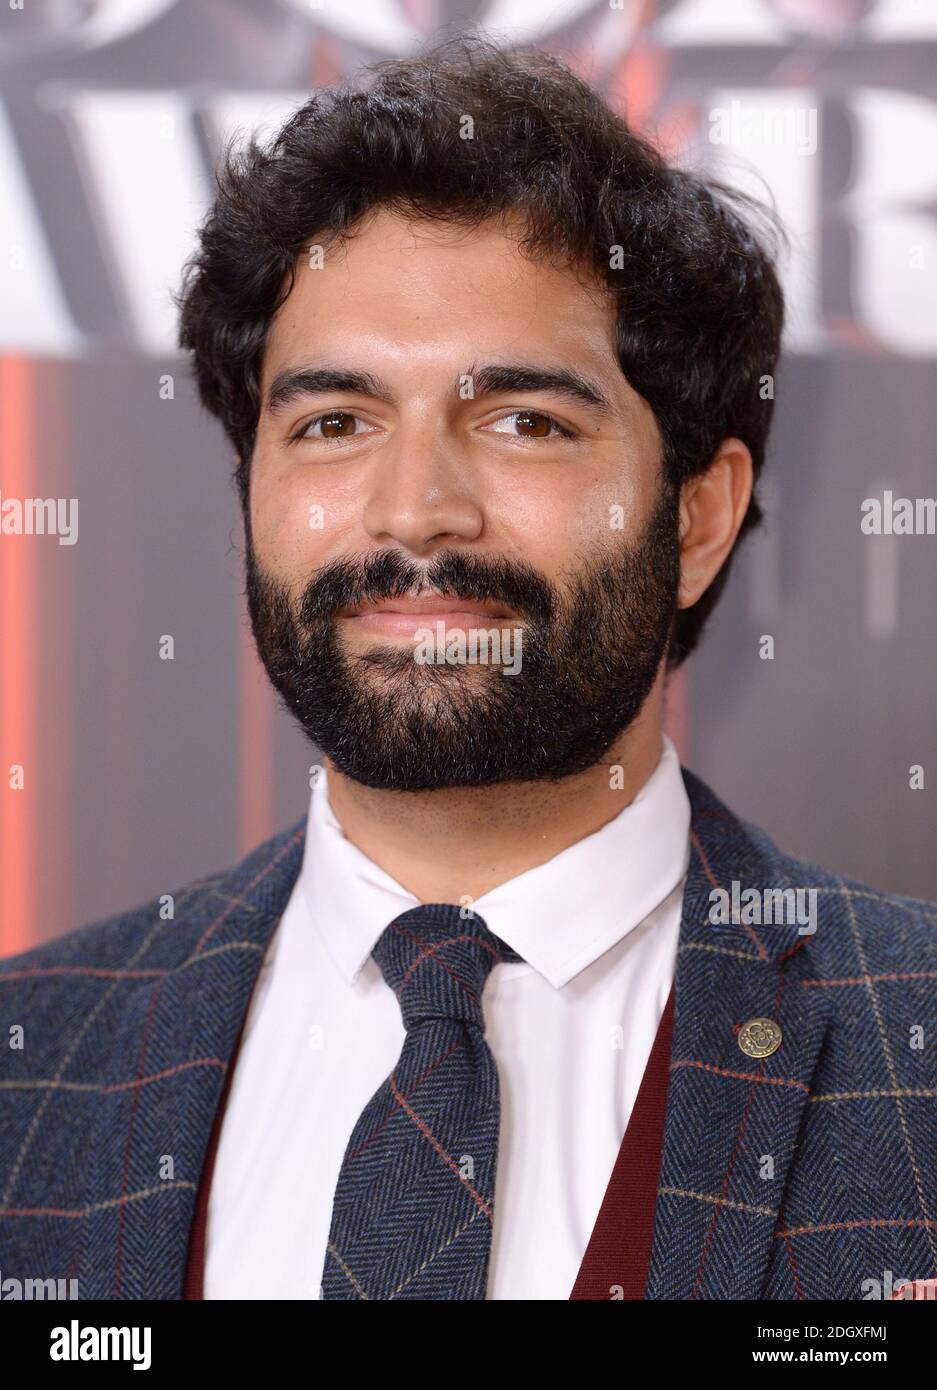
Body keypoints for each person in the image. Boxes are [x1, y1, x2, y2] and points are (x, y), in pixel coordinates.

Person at [1, 35, 934, 1303]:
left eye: (524, 422)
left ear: (698, 518)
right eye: (334, 422)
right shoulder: (29, 1064)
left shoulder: (911, 1045)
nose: (416, 510)